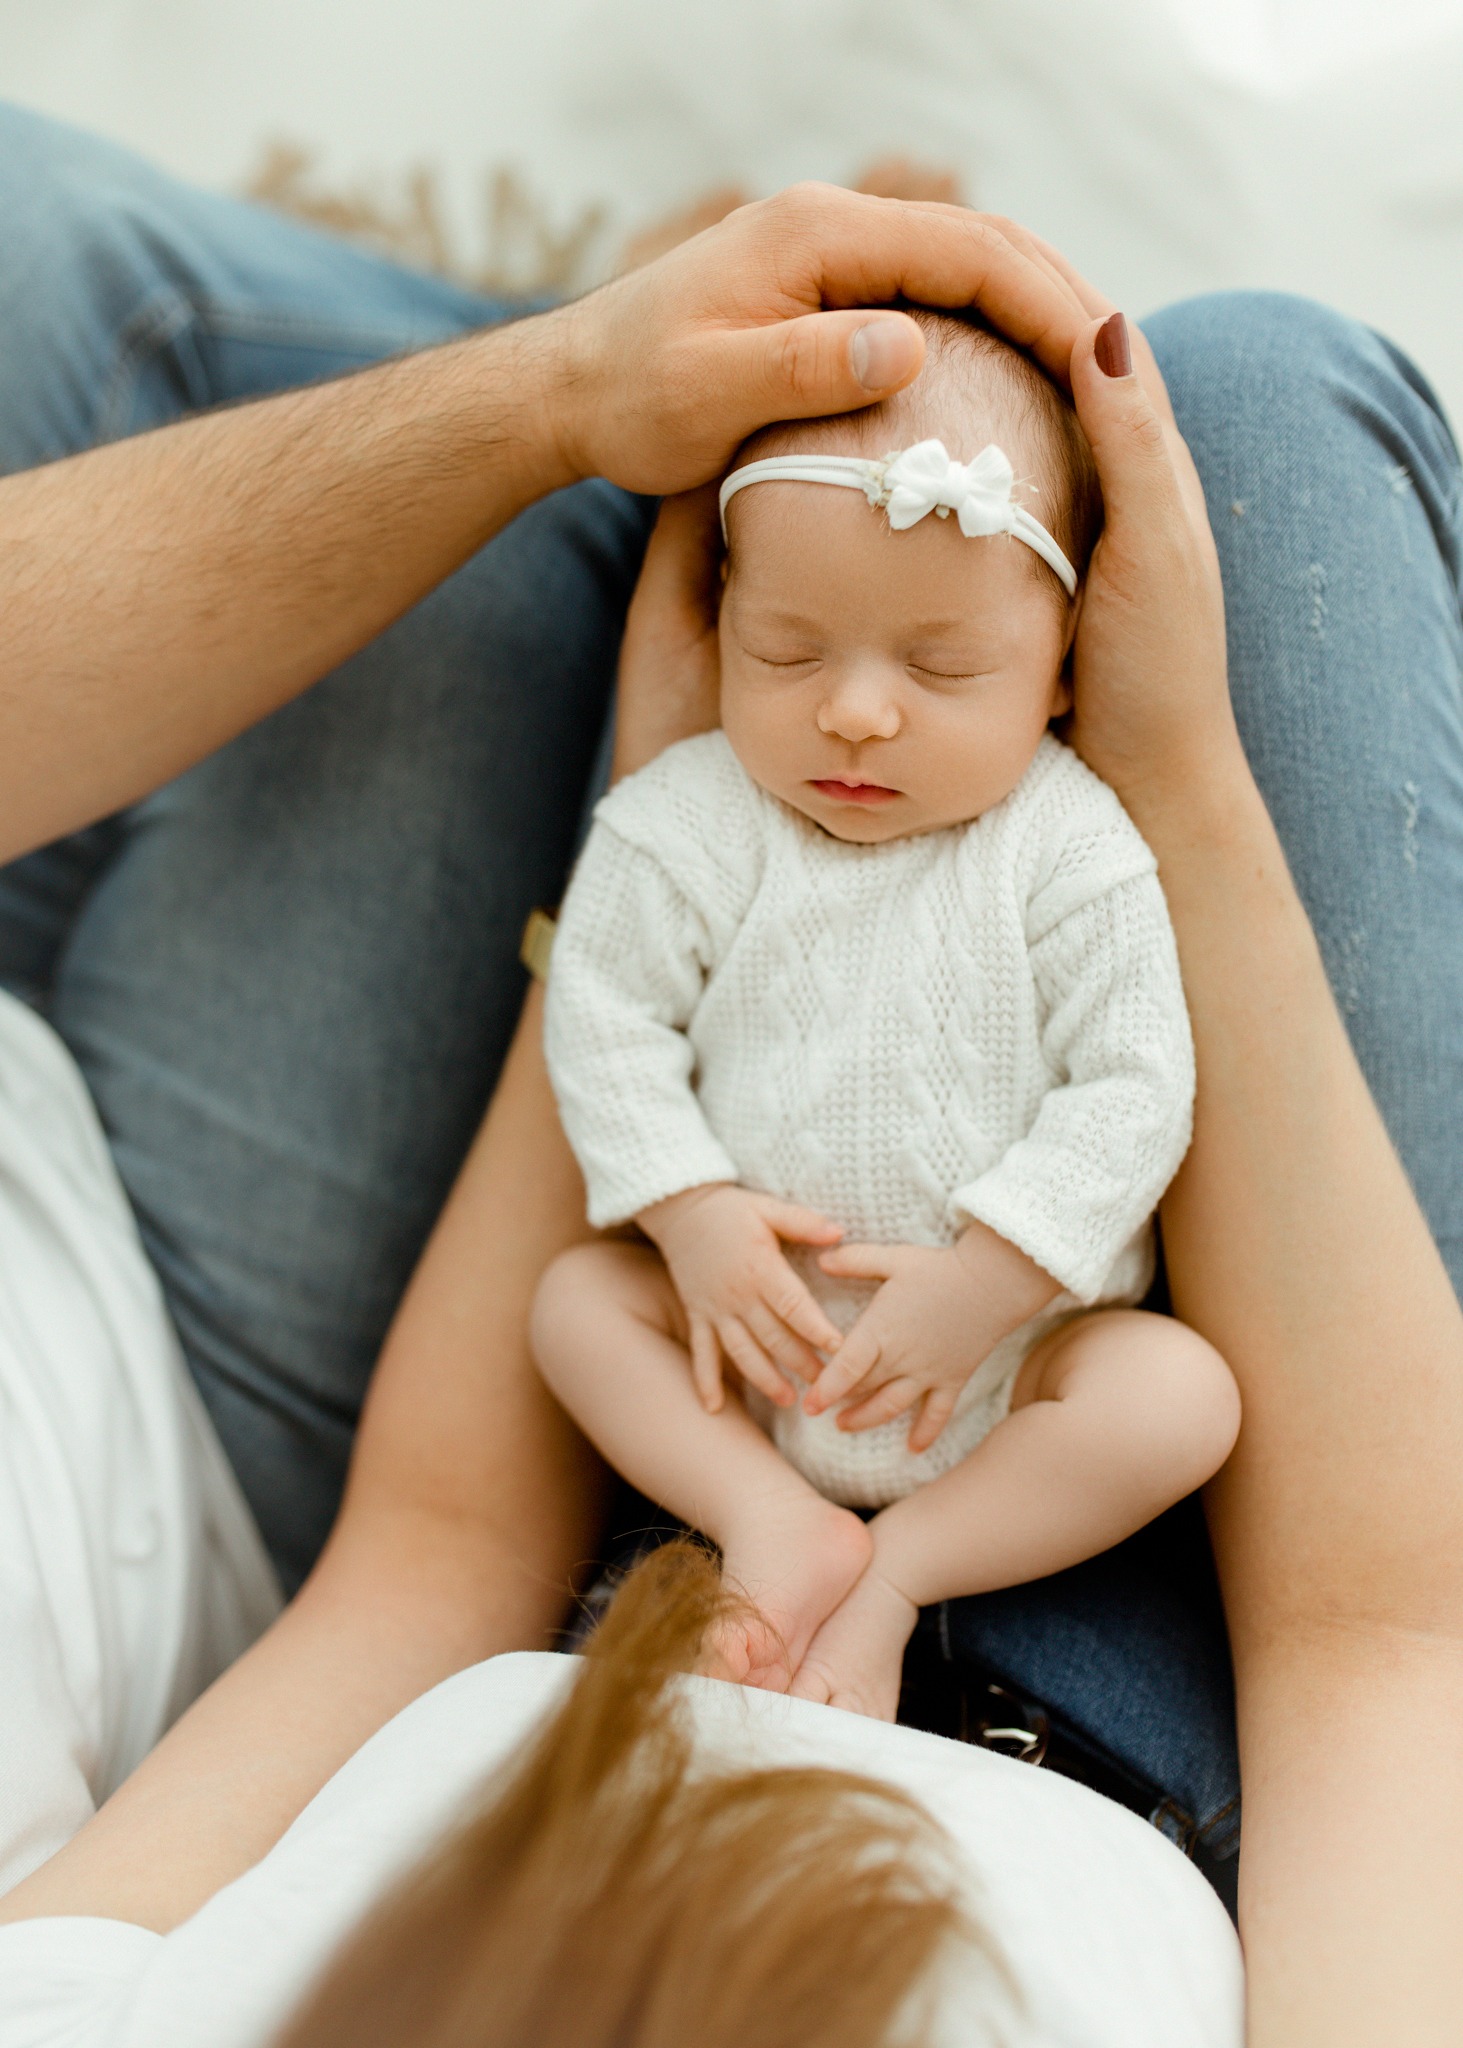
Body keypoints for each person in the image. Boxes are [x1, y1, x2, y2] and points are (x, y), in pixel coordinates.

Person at [0, 100, 1457, 2046]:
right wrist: (1174, 775)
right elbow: (1389, 1648)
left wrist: (667, 764)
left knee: (524, 551)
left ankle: (644, 440)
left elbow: (424, 1562)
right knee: (1255, 409)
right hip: (1155, 1715)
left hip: (638, 1545)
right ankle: (661, 440)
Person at [533, 311, 1239, 1718]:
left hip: (1013, 1357)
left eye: (940, 668)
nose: (855, 715)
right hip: (755, 1340)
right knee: (571, 1306)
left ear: (1058, 674)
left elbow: (1135, 1085)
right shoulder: (691, 819)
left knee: (1178, 1397)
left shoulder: (1068, 847)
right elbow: (603, 1010)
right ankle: (769, 1521)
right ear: (724, 622)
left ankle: (901, 1569)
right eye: (789, 653)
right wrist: (686, 1214)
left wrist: (993, 1279)